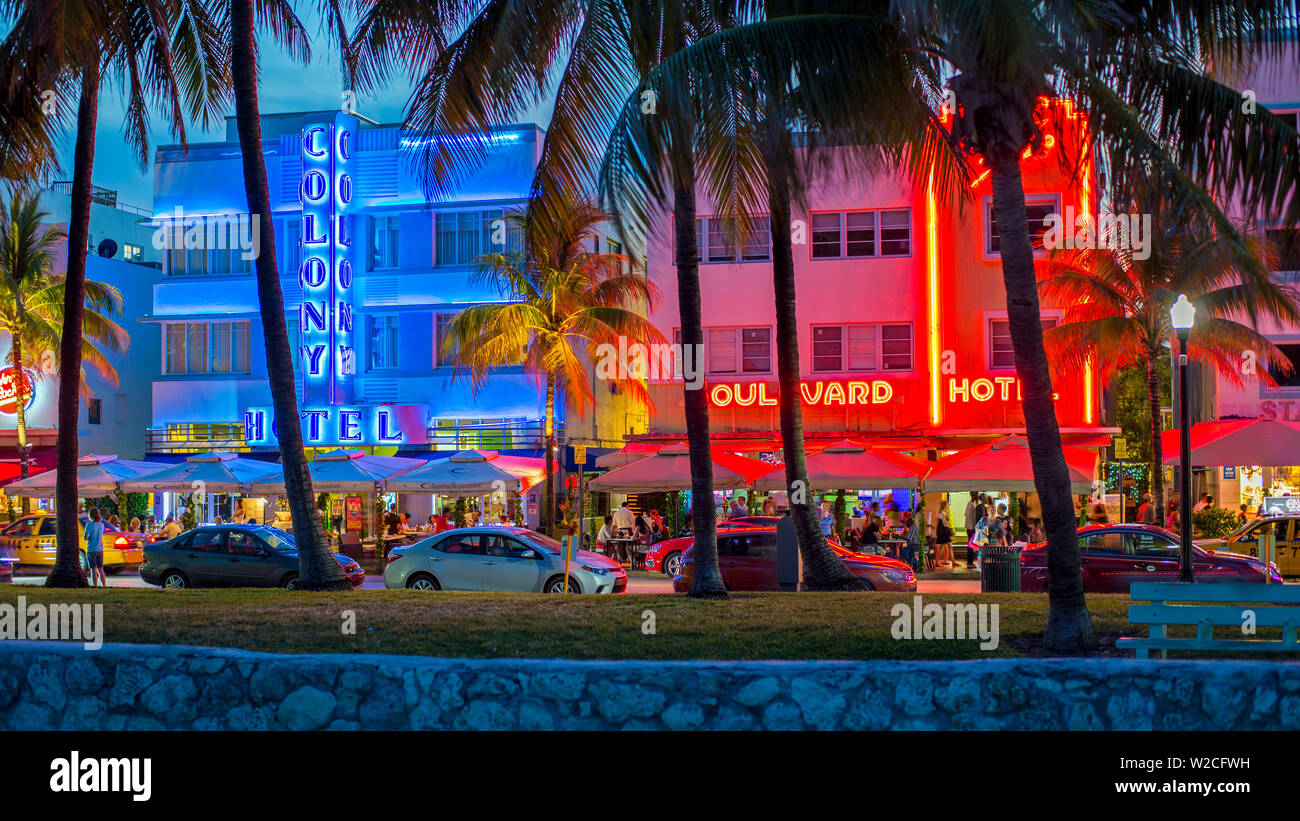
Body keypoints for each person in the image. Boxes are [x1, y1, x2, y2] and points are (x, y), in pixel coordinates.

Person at [84, 508, 106, 588]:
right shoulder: (101, 525)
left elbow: (86, 537)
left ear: (90, 515)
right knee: (101, 570)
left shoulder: (88, 525)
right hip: (100, 549)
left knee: (93, 570)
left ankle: (95, 586)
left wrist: (87, 537)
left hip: (91, 549)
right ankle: (104, 585)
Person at [934, 500, 954, 568]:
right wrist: (949, 525)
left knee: (947, 546)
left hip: (942, 533)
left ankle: (953, 562)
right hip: (944, 533)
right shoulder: (943, 513)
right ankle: (937, 562)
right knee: (946, 547)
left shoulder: (941, 513)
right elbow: (945, 524)